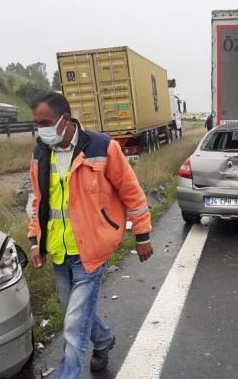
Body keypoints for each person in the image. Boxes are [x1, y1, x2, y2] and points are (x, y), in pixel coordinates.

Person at [27, 91, 153, 378]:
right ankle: (104, 339)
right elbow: (38, 202)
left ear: (65, 120)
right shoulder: (40, 153)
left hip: (92, 251)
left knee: (72, 325)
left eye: (44, 122)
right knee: (75, 313)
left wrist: (142, 234)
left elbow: (131, 192)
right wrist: (36, 241)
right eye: (35, 123)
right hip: (59, 249)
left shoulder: (101, 146)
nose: (40, 129)